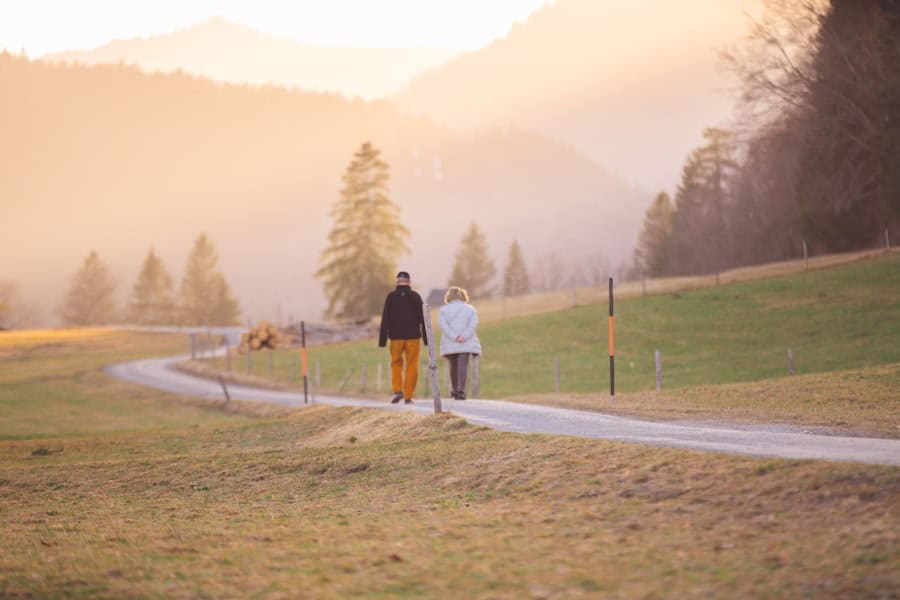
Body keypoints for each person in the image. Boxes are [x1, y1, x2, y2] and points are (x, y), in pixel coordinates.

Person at [378, 271, 427, 404]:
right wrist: (426, 339)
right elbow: (424, 318)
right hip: (413, 337)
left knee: (396, 363)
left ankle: (398, 390)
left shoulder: (391, 297)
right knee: (412, 364)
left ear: (397, 282)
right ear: (409, 282)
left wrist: (382, 339)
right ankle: (408, 395)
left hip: (396, 338)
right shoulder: (416, 296)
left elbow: (385, 318)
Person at [438, 286, 481, 400]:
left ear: (449, 296)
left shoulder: (444, 310)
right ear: (463, 296)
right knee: (463, 366)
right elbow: (473, 325)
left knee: (453, 366)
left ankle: (455, 390)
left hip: (450, 342)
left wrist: (455, 336)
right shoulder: (470, 309)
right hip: (466, 342)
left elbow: (444, 326)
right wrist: (463, 336)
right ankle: (461, 391)